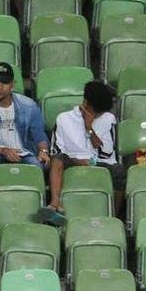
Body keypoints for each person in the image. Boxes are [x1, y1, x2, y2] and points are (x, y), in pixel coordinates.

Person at [41, 80, 122, 224]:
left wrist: (89, 127)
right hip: (72, 161)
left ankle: (112, 218)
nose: (98, 115)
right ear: (85, 103)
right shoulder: (63, 119)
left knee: (119, 172)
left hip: (101, 163)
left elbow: (106, 153)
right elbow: (56, 151)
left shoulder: (108, 119)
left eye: (100, 113)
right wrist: (78, 161)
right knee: (57, 160)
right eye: (96, 112)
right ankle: (54, 206)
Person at [0, 62, 51, 176]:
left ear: (13, 84)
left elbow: (39, 136)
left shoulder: (29, 106)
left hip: (24, 154)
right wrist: (3, 151)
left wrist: (43, 152)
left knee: (37, 165)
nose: (0, 87)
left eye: (5, 82)